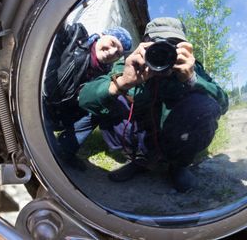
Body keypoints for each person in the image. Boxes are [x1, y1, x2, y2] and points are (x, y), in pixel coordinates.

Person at [78, 17, 228, 192]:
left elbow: (222, 104)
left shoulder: (192, 68)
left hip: (175, 136)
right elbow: (85, 100)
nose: (165, 50)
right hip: (139, 136)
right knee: (107, 97)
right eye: (157, 44)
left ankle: (178, 165)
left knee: (204, 105)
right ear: (144, 44)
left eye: (173, 44)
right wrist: (122, 82)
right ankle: (138, 161)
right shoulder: (130, 64)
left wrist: (192, 80)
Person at [43, 22, 132, 171]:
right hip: (41, 104)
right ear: (102, 35)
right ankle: (45, 143)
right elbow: (55, 27)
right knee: (43, 152)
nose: (111, 52)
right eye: (112, 43)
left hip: (65, 114)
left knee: (99, 110)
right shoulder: (74, 39)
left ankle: (66, 150)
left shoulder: (106, 75)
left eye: (118, 53)